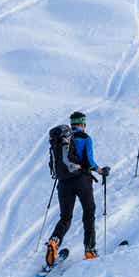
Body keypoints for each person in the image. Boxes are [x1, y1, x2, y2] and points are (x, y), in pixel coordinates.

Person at [46, 111, 109, 263]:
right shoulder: (85, 138)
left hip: (63, 182)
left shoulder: (61, 140)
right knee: (89, 212)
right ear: (82, 123)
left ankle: (54, 241)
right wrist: (101, 170)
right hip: (82, 180)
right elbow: (89, 161)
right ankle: (90, 249)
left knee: (65, 218)